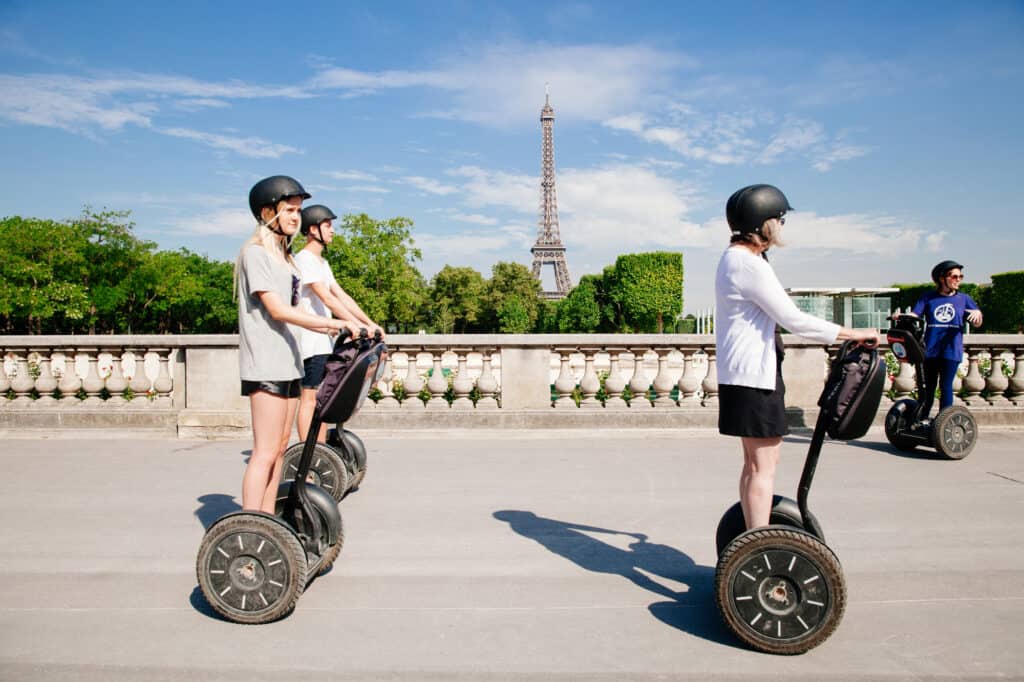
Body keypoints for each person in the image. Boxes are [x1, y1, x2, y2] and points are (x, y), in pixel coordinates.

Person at [715, 184, 879, 530]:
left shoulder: (733, 258)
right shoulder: (750, 265)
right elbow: (794, 320)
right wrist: (855, 333)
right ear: (763, 223)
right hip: (755, 377)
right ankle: (758, 544)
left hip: (741, 375)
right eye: (779, 219)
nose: (782, 226)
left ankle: (750, 536)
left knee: (754, 464)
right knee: (764, 466)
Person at [235, 176, 360, 513]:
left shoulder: (286, 259)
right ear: (266, 212)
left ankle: (268, 518)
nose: (296, 217)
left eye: (298, 211)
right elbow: (278, 310)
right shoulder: (255, 253)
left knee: (279, 449)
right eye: (289, 210)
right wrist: (336, 323)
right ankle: (251, 522)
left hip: (290, 361)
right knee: (264, 451)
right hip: (265, 362)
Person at [293, 204, 383, 442]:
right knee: (309, 398)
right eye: (328, 225)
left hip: (324, 340)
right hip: (310, 341)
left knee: (320, 399)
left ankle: (319, 450)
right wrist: (351, 323)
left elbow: (342, 295)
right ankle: (308, 452)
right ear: (313, 229)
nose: (333, 230)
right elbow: (326, 297)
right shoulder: (304, 259)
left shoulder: (322, 263)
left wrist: (368, 323)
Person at [908, 260, 982, 420]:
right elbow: (915, 315)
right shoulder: (928, 298)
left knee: (946, 387)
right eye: (954, 276)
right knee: (928, 388)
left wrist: (977, 316)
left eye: (960, 276)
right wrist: (901, 317)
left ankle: (942, 423)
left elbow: (977, 318)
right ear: (942, 278)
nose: (958, 280)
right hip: (930, 350)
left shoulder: (964, 299)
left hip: (951, 350)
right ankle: (920, 419)